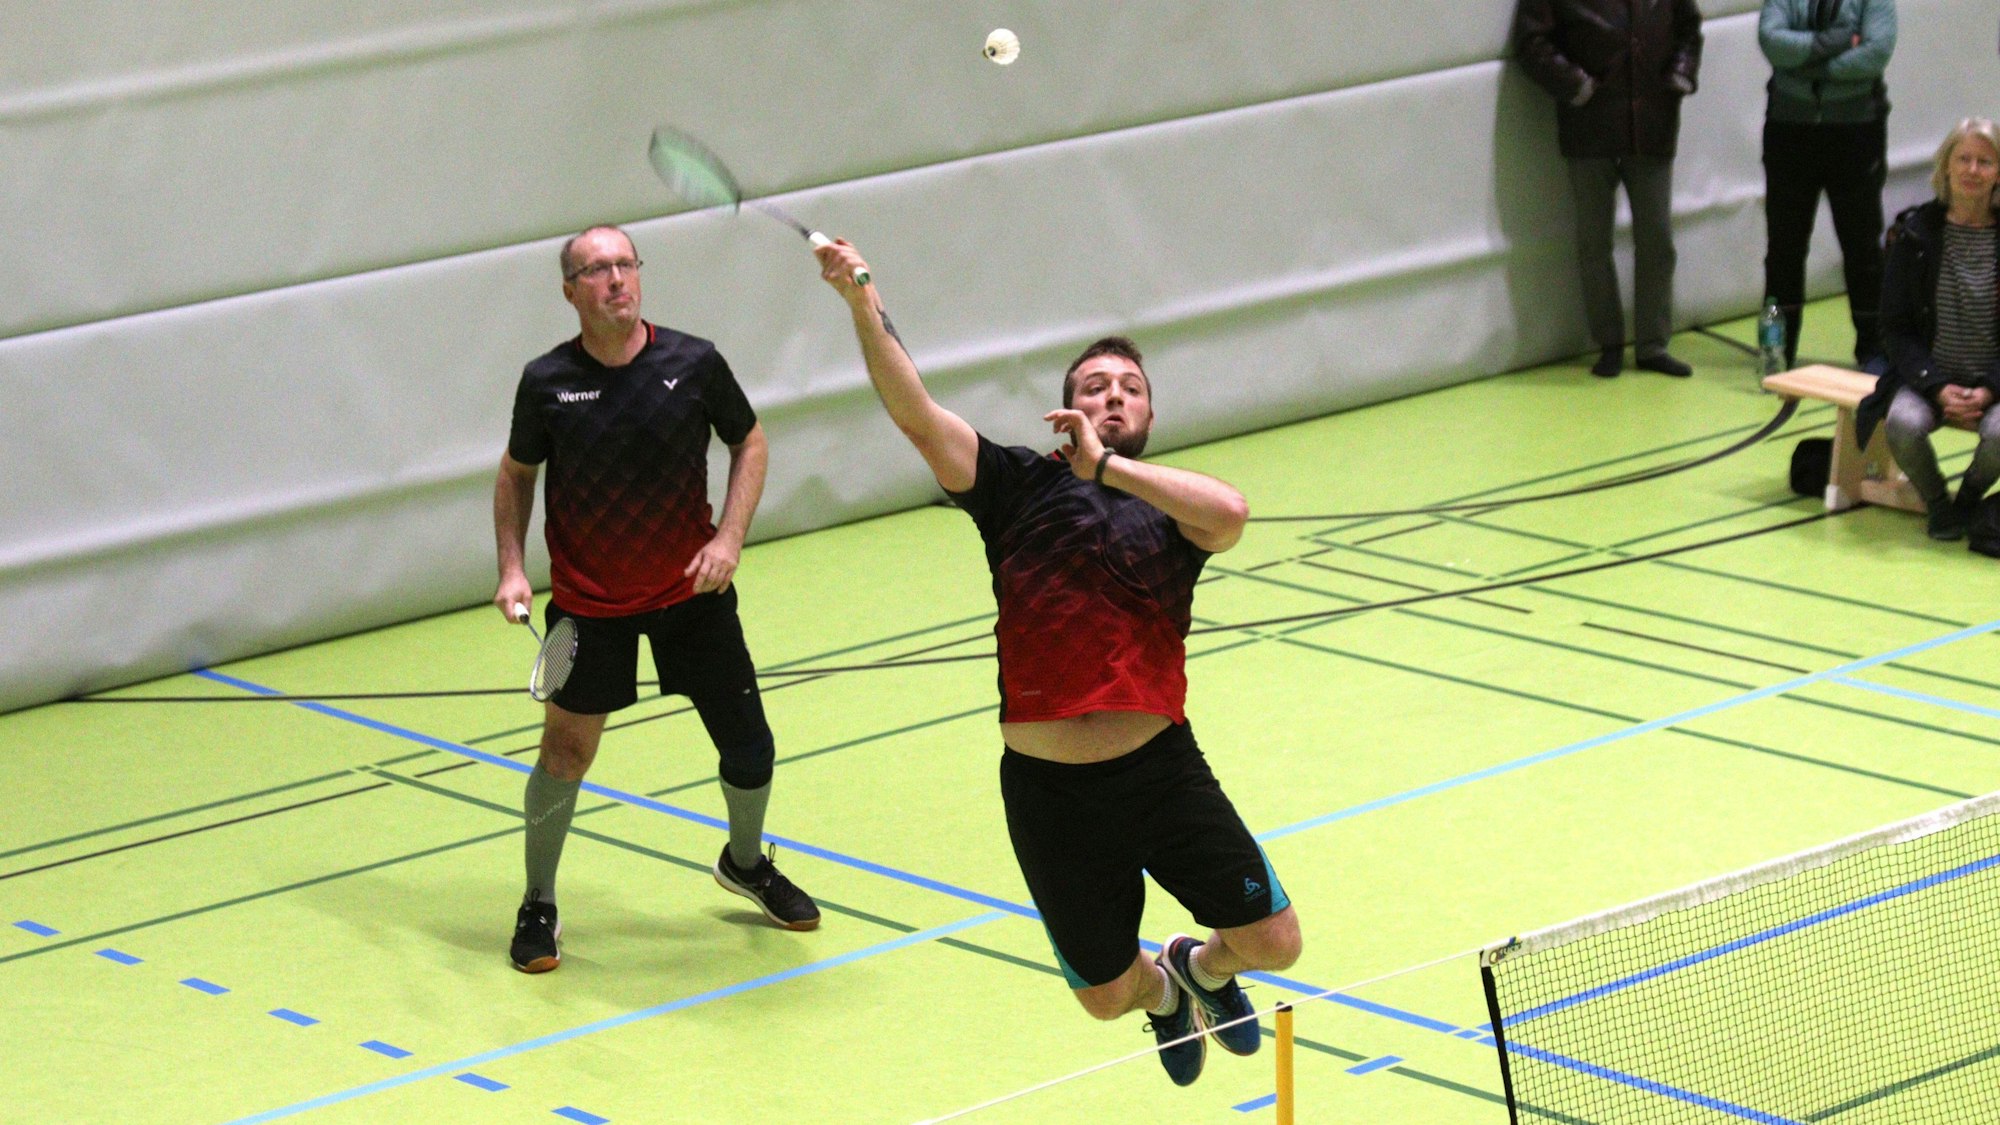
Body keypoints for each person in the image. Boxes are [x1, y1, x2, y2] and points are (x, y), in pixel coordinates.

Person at [810, 237, 1302, 1087]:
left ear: (1145, 418)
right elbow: (916, 414)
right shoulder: (1014, 487)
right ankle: (1160, 994)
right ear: (1063, 408)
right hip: (1048, 791)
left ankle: (1202, 967)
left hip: (1159, 770)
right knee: (1105, 996)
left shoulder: (1170, 511)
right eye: (1094, 387)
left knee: (1276, 942)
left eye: (1130, 389)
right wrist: (862, 301)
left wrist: (1110, 469)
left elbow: (1233, 511)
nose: (1113, 396)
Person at [492, 224, 818, 974]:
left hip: (690, 594)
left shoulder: (694, 363)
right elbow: (515, 473)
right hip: (589, 604)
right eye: (595, 270)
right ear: (570, 290)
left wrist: (730, 539)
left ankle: (745, 862)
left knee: (749, 745)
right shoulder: (547, 381)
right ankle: (538, 900)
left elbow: (752, 442)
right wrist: (512, 567)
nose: (615, 279)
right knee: (564, 754)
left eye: (624, 264)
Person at [1515, 0, 1705, 379]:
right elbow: (1530, 43)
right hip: (1591, 125)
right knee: (1593, 243)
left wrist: (1680, 75)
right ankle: (1611, 343)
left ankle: (1652, 345)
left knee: (1657, 240)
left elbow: (1689, 28)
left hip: (1650, 122)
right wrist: (1577, 86)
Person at [1857, 119, 2000, 541]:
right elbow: (1895, 327)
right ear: (1947, 168)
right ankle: (1938, 502)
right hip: (1928, 379)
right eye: (1964, 160)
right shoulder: (1916, 234)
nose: (1973, 170)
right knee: (1901, 423)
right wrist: (1936, 387)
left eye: (1985, 161)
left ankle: (1969, 497)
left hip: (1992, 385)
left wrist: (1989, 389)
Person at [1759, 0, 1897, 370]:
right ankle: (1778, 349)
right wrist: (1836, 45)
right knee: (1784, 248)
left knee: (1862, 247)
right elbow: (1771, 41)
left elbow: (1876, 52)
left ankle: (1873, 348)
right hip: (1789, 131)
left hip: (1856, 132)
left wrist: (1805, 62)